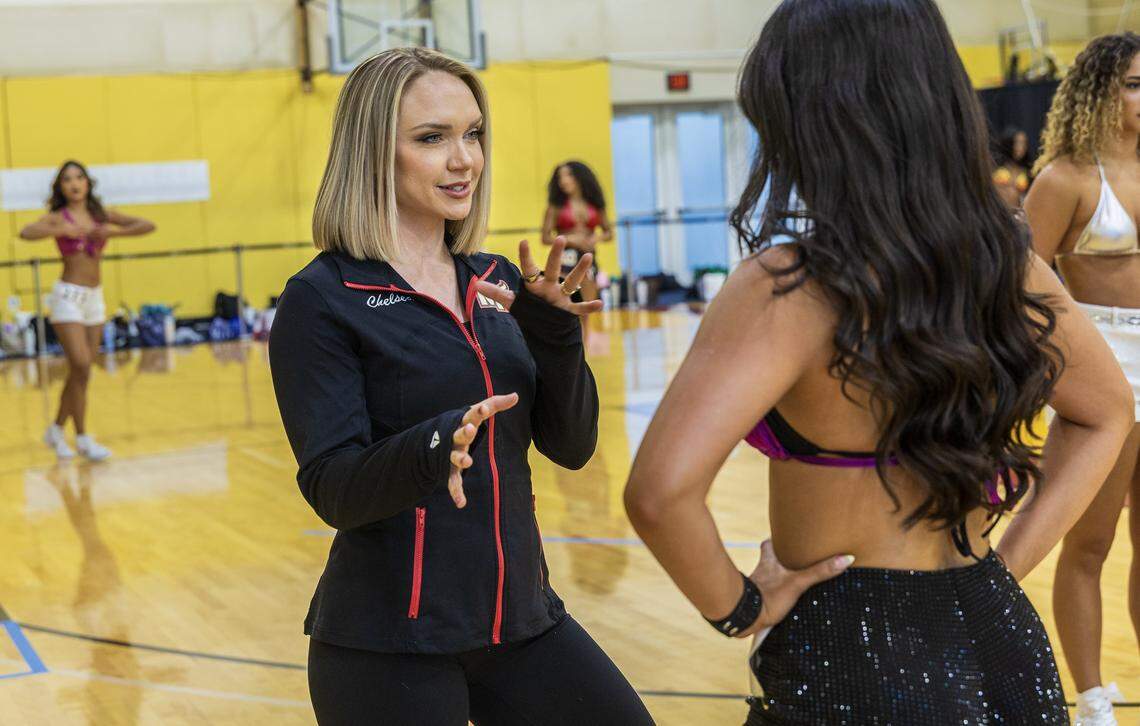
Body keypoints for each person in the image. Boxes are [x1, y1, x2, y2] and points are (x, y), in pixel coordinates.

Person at [624, 1, 1134, 723]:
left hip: (852, 651)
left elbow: (660, 492)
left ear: (808, 117)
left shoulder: (788, 284)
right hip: (1002, 635)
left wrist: (742, 607)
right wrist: (1006, 570)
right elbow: (1107, 410)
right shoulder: (1004, 262)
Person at [268, 48, 652, 725]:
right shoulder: (322, 298)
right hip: (388, 643)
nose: (464, 158)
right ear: (372, 155)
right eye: (431, 138)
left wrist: (557, 338)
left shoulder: (498, 278)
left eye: (472, 133)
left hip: (522, 621)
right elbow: (333, 488)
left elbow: (571, 446)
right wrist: (435, 444)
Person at [1024, 31, 1140, 726]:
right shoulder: (1065, 178)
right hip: (1103, 372)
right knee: (1089, 542)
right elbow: (1016, 284)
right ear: (1099, 91)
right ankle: (1094, 698)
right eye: (1133, 84)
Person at [19, 160, 155, 461]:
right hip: (68, 297)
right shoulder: (59, 217)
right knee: (79, 363)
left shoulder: (100, 216)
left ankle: (56, 429)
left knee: (83, 372)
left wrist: (110, 233)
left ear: (88, 183)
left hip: (95, 298)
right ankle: (81, 438)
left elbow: (147, 225)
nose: (74, 183)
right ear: (61, 187)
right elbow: (26, 231)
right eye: (67, 179)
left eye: (79, 177)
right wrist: (60, 228)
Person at [541, 161, 613, 303]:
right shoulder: (555, 207)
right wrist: (570, 239)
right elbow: (545, 238)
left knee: (587, 302)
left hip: (588, 255)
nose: (563, 181)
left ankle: (586, 326)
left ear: (580, 177)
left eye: (568, 175)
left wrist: (595, 239)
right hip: (565, 256)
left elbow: (609, 233)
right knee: (565, 301)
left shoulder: (595, 204)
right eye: (560, 177)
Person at [994, 126, 1032, 209]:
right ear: (1009, 143)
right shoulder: (994, 166)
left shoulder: (1027, 171)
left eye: (1023, 143)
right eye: (1017, 143)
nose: (1021, 147)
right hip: (997, 211)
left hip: (1017, 215)